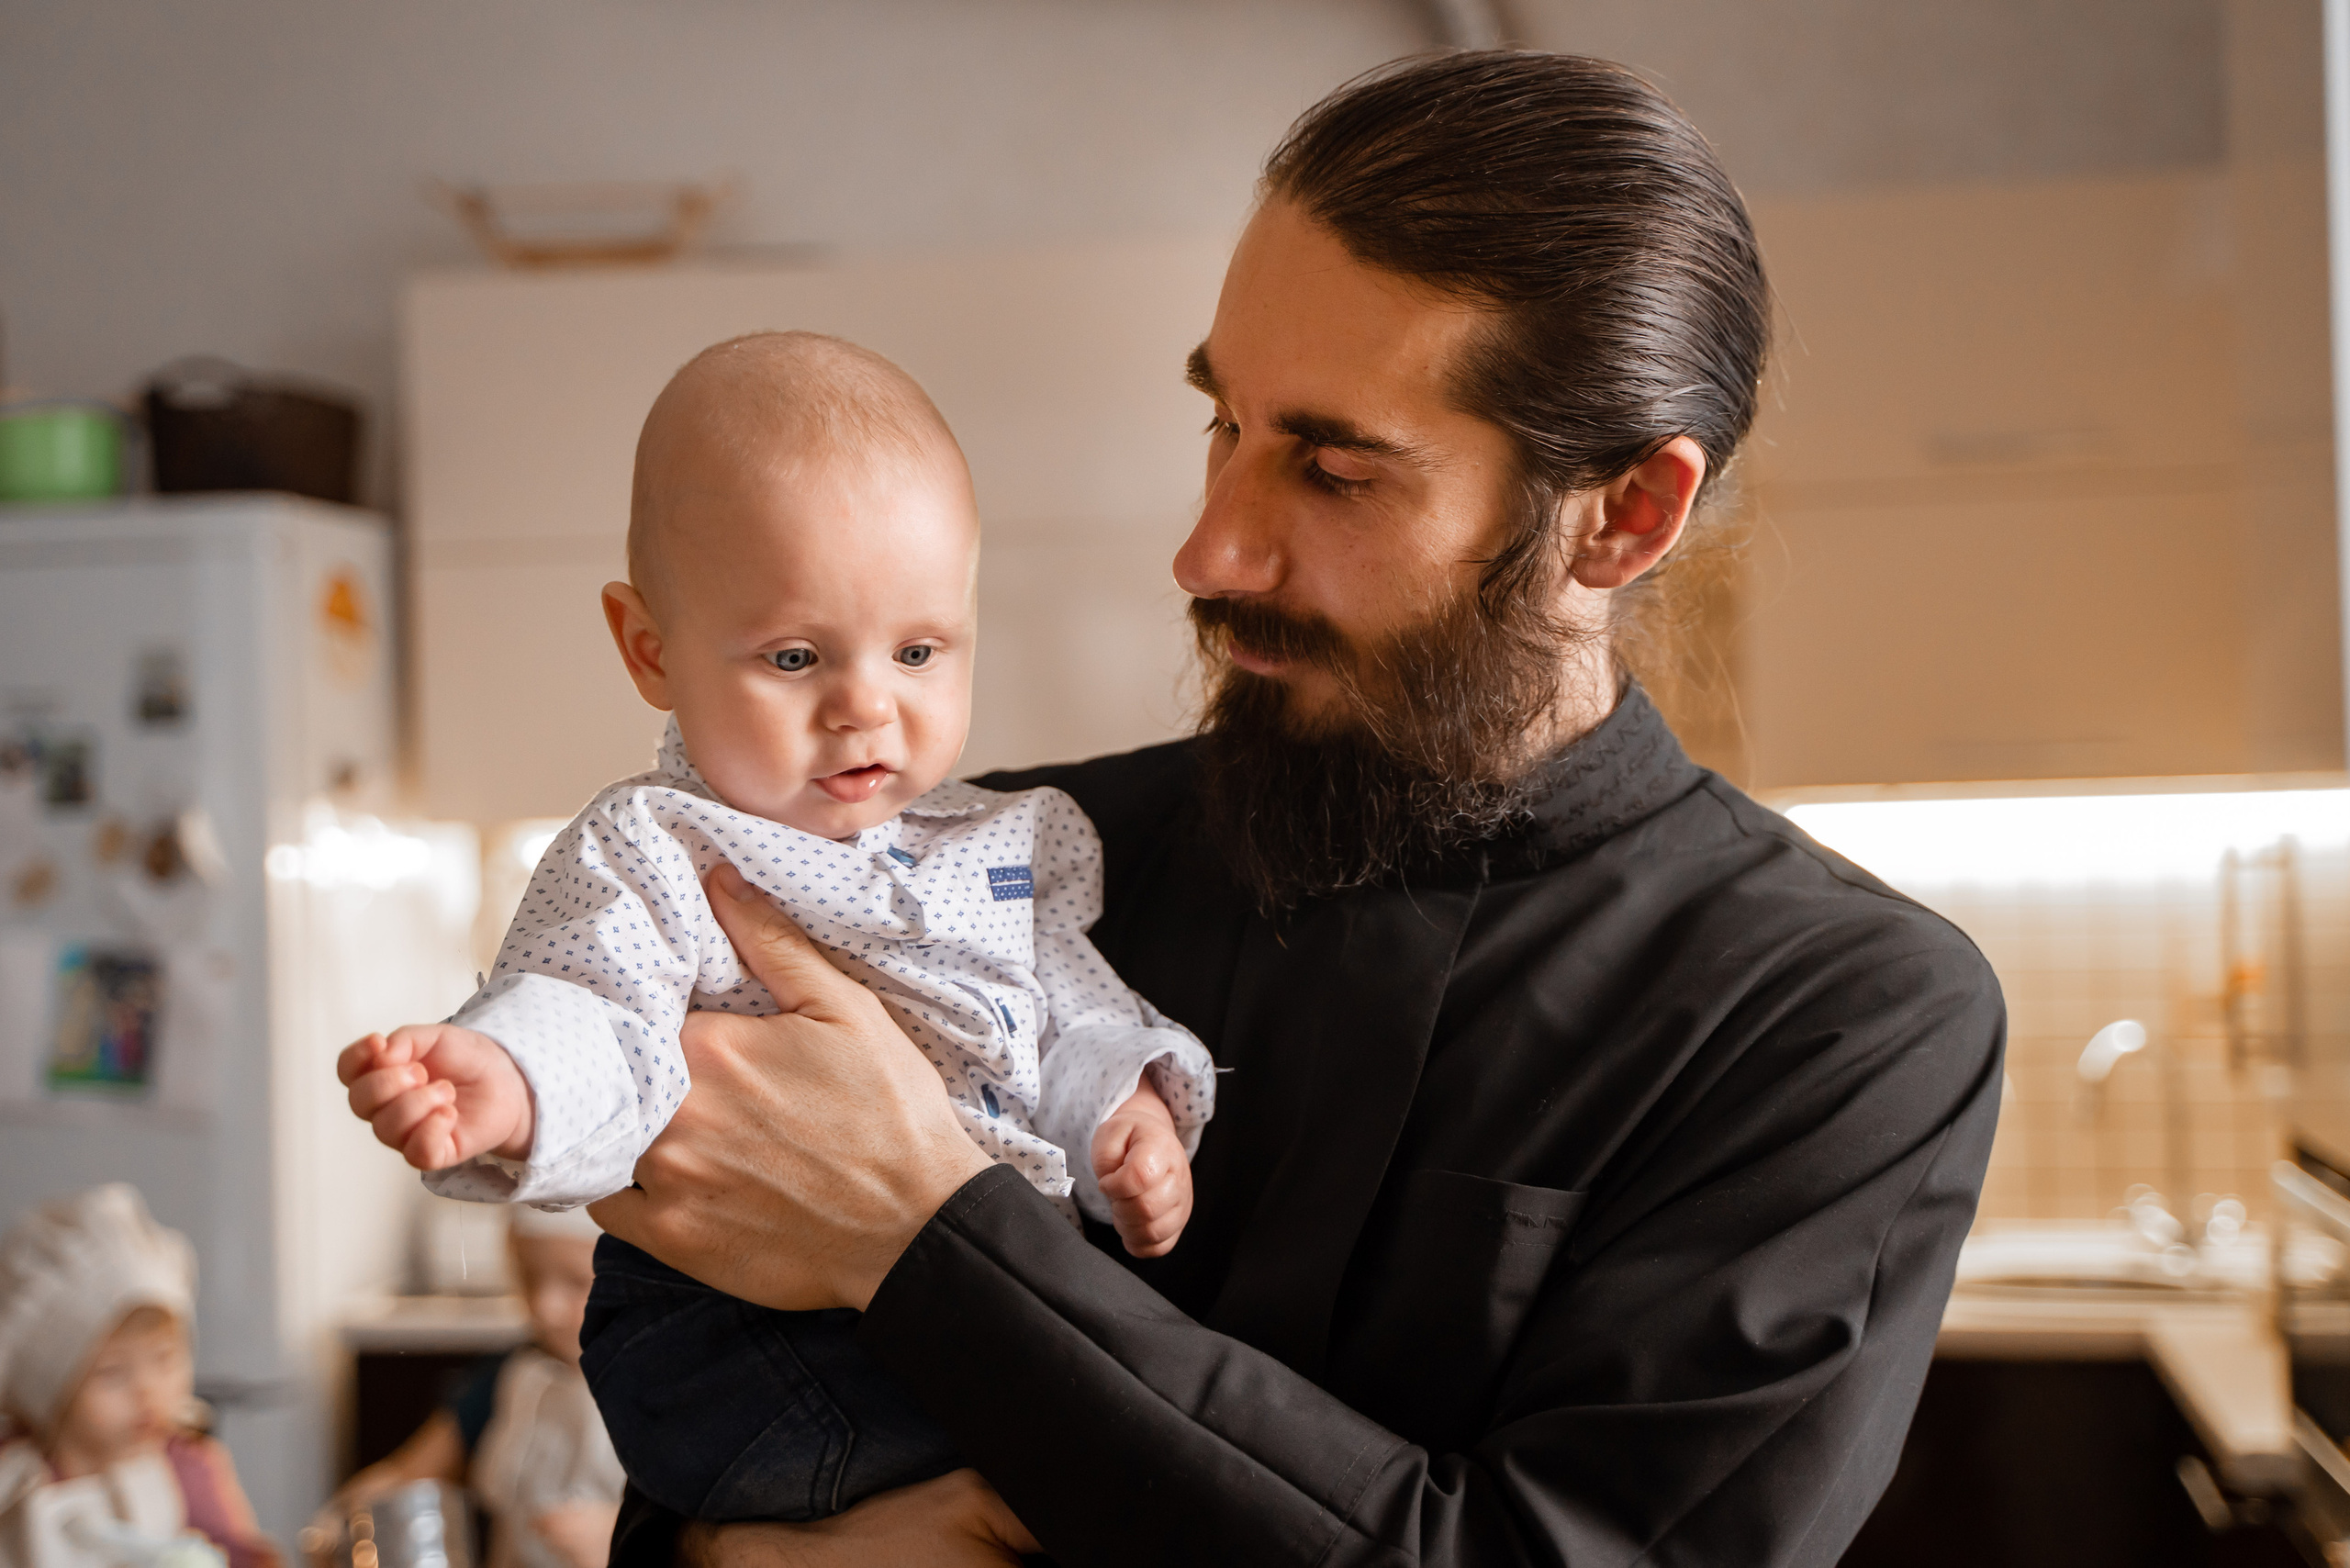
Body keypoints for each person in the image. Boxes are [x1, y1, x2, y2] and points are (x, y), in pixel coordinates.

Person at [582, 50, 2008, 1568]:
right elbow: (720, 1388)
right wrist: (732, 1555)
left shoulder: (1843, 1018)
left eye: (1329, 470)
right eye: (1227, 427)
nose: (1209, 548)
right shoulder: (1013, 867)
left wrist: (925, 1234)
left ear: (1623, 515)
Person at [336, 331, 1217, 1526]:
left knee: (1106, 1440)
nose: (866, 705)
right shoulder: (657, 847)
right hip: (745, 1331)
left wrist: (1129, 1119)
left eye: (918, 650)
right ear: (651, 648)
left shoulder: (997, 848)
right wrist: (507, 1080)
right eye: (796, 656)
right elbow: (591, 1004)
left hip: (986, 1296)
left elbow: (1071, 1013)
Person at [319, 1208, 622, 1568]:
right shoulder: (505, 1378)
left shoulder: (669, 1392)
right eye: (529, 1278)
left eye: (576, 1282)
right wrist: (350, 1514)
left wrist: (621, 1536)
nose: (546, 1308)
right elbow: (409, 1473)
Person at [0, 1185, 280, 1568]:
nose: (148, 1392)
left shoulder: (188, 1469)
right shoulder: (14, 1481)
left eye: (165, 1360)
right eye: (112, 1374)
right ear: (49, 1389)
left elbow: (246, 1558)